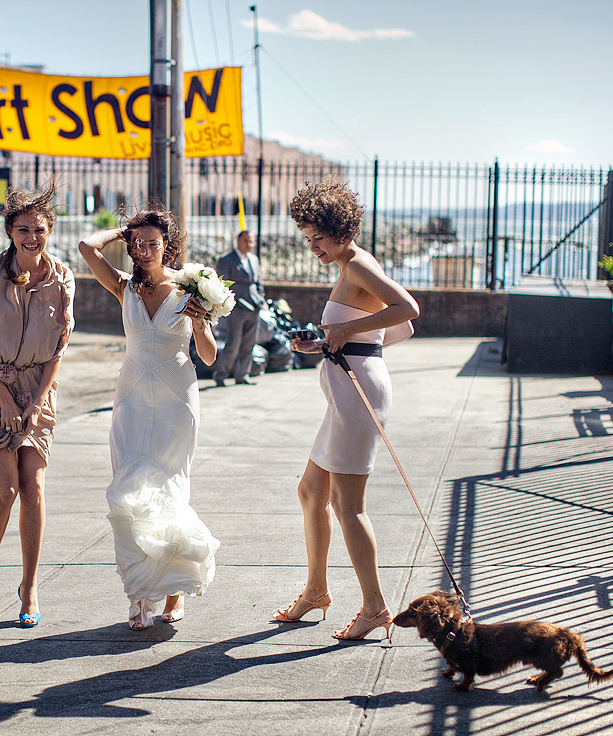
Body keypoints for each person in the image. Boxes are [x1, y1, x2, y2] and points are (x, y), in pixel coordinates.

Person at [276, 177, 419, 640]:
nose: (313, 246)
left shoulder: (357, 264)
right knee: (310, 492)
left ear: (340, 229)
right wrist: (323, 343)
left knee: (346, 504)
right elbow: (378, 333)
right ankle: (317, 589)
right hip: (345, 392)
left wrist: (345, 336)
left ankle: (376, 606)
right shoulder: (349, 267)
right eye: (307, 238)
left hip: (358, 397)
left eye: (318, 237)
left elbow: (408, 310)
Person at [78, 207, 221, 630]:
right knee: (128, 489)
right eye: (136, 244)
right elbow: (87, 247)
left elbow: (210, 356)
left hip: (178, 398)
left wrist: (199, 325)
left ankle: (174, 593)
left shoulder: (190, 288)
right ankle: (139, 595)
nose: (142, 251)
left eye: (152, 243)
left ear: (167, 245)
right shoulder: (123, 286)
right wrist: (124, 230)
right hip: (132, 397)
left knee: (170, 490)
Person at [0, 182, 74, 628]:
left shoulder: (62, 278)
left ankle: (29, 587)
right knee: (6, 487)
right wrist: (7, 401)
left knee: (35, 486)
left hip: (39, 390)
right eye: (24, 229)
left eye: (40, 229)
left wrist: (36, 402)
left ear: (50, 231)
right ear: (10, 231)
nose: (33, 236)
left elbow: (57, 352)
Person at [212, 230, 266, 386]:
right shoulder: (226, 260)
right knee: (233, 343)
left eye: (251, 241)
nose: (248, 244)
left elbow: (258, 282)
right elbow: (222, 284)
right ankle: (221, 375)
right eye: (245, 241)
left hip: (254, 306)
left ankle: (243, 374)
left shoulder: (254, 260)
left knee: (249, 343)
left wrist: (260, 298)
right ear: (238, 241)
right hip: (237, 308)